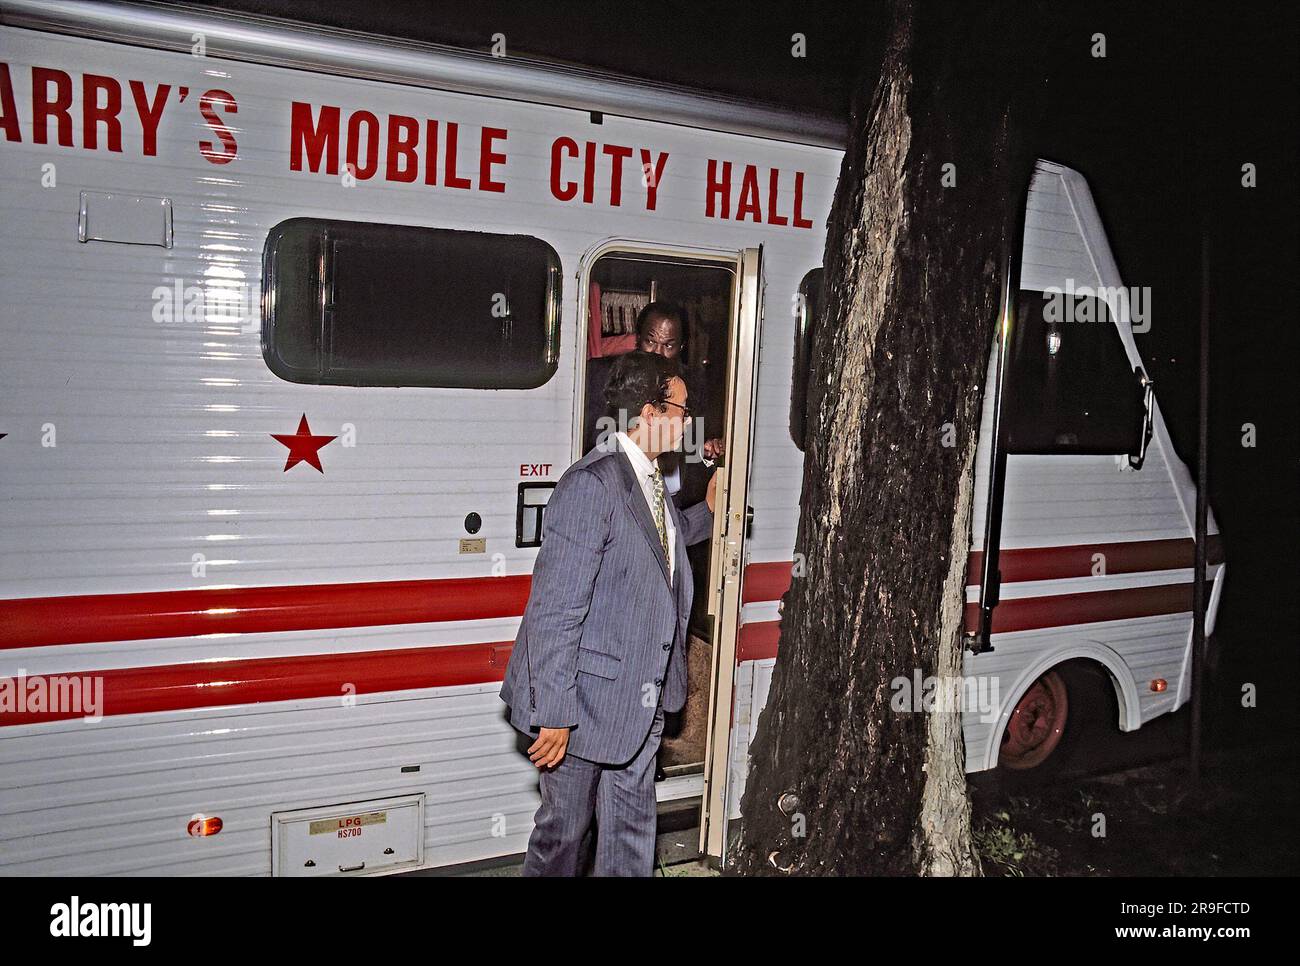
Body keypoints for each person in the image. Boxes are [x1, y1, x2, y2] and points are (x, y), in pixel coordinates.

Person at [499, 350, 718, 876]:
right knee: (563, 841)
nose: (688, 422)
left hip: (637, 701)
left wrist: (707, 512)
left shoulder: (647, 478)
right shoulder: (591, 485)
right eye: (681, 410)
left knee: (628, 844)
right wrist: (555, 712)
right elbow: (555, 610)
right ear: (649, 411)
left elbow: (657, 547)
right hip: (580, 706)